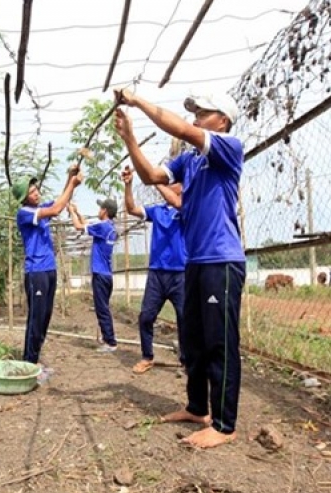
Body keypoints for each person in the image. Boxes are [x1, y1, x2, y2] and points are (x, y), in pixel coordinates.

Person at [113, 88, 246, 450]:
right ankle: (197, 408)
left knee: (220, 343)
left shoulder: (229, 147)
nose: (196, 117)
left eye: (204, 112)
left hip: (222, 261)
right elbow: (151, 177)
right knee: (194, 342)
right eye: (195, 111)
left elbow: (185, 132)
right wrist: (129, 138)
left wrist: (138, 101)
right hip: (196, 262)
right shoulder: (189, 162)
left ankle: (224, 424)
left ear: (223, 120)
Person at [11, 165, 83, 378]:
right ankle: (30, 365)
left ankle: (35, 362)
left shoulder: (38, 210)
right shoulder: (25, 213)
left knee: (45, 318)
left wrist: (69, 178)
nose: (37, 193)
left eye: (36, 190)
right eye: (32, 192)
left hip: (49, 270)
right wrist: (72, 183)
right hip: (36, 273)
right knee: (36, 318)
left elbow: (61, 201)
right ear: (25, 197)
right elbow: (56, 210)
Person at [120, 166, 187, 374]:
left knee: (185, 319)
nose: (171, 185)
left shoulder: (188, 206)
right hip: (157, 274)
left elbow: (179, 202)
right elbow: (131, 209)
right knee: (146, 317)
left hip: (181, 274)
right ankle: (147, 357)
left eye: (175, 182)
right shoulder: (158, 211)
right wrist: (129, 185)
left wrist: (155, 181)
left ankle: (187, 361)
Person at [68, 198, 119, 352]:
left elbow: (78, 227)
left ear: (104, 211)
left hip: (100, 274)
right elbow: (86, 226)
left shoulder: (102, 226)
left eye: (100, 208)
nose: (99, 210)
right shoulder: (109, 227)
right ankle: (108, 339)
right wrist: (77, 212)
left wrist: (71, 213)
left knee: (102, 309)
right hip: (107, 275)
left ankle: (110, 342)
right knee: (103, 307)